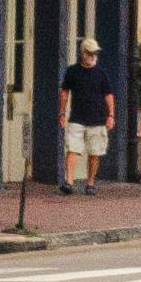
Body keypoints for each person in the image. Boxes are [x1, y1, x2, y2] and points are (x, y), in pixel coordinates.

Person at [57, 36, 119, 192]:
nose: (92, 56)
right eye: (89, 53)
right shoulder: (72, 71)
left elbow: (109, 95)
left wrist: (111, 115)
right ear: (82, 53)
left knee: (95, 152)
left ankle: (90, 183)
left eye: (95, 53)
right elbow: (64, 92)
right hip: (77, 118)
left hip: (97, 119)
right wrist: (62, 114)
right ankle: (69, 181)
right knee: (73, 149)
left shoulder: (101, 73)